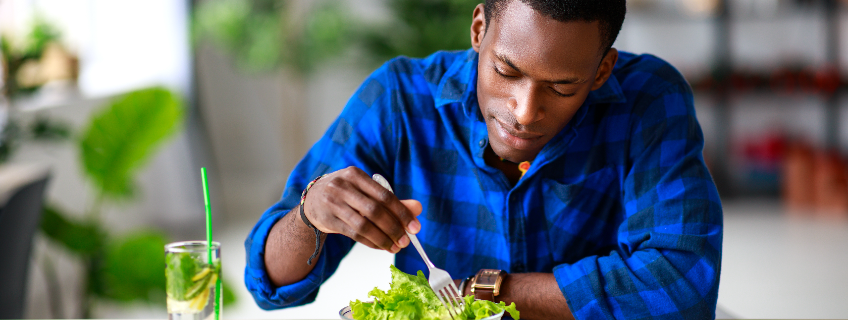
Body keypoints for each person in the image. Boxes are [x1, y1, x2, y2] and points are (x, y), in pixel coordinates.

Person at [244, 0, 723, 319]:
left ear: (601, 70)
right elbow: (269, 283)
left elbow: (685, 283)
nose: (524, 111)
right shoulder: (398, 100)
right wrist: (311, 215)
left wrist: (492, 293)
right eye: (505, 70)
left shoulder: (649, 100)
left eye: (561, 87)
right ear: (478, 30)